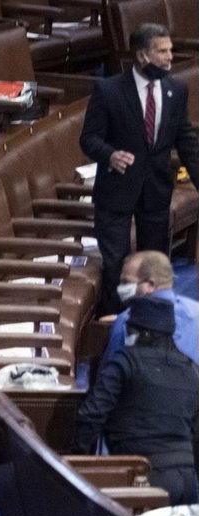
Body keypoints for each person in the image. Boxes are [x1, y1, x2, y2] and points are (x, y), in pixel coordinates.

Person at [79, 23, 199, 315]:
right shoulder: (108, 91)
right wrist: (109, 154)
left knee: (153, 264)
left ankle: (149, 321)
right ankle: (114, 323)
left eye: (170, 50)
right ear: (142, 56)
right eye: (162, 51)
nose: (170, 57)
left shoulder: (176, 90)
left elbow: (186, 140)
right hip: (116, 191)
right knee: (117, 263)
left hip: (155, 191)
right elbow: (88, 139)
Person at [74, 296, 199, 505]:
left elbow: (92, 415)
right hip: (188, 482)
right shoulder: (191, 370)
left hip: (143, 479)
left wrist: (76, 462)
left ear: (139, 331)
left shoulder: (124, 362)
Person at [100, 250, 199, 366]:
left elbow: (110, 370)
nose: (121, 288)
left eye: (126, 282)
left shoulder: (125, 322)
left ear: (150, 284)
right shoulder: (196, 311)